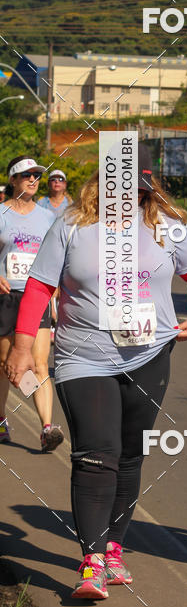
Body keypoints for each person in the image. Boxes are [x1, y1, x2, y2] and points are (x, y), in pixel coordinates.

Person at [4, 144, 187, 599]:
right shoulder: (72, 226)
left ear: (146, 192)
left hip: (150, 353)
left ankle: (114, 547)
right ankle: (93, 560)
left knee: (129, 454)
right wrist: (23, 345)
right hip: (83, 356)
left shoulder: (165, 229)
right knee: (96, 452)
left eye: (136, 191)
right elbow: (41, 285)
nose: (126, 198)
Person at [0, 156, 63, 451]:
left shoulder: (48, 217)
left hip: (35, 296)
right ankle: (1, 419)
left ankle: (47, 428)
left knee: (39, 364)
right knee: (5, 364)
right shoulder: (1, 213)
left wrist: (58, 288)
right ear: (13, 180)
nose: (33, 180)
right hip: (5, 296)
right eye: (26, 175)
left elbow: (58, 255)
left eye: (37, 175)